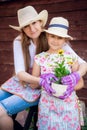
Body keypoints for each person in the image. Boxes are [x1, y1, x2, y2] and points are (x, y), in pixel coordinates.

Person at [0, 5, 87, 130]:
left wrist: (76, 76)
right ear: (22, 29)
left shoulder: (56, 39)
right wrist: (41, 80)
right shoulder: (19, 41)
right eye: (26, 26)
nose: (32, 29)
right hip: (27, 81)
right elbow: (20, 73)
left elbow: (82, 63)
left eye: (34, 23)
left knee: (1, 111)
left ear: (40, 22)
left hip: (44, 88)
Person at [31, 17, 87, 130]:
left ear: (65, 40)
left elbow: (80, 83)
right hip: (47, 108)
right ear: (47, 36)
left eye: (60, 38)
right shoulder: (39, 58)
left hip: (68, 106)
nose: (55, 41)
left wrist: (70, 87)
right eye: (52, 36)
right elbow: (33, 84)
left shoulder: (71, 57)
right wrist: (42, 79)